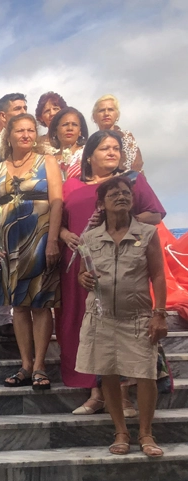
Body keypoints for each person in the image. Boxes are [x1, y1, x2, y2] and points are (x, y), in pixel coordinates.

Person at [57, 130, 165, 415]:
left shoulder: (131, 180)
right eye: (105, 148)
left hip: (124, 266)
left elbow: (155, 214)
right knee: (91, 328)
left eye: (116, 148)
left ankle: (123, 395)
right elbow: (59, 221)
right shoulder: (69, 185)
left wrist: (124, 221)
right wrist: (65, 233)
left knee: (123, 327)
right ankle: (95, 393)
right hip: (81, 263)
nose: (112, 153)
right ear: (89, 155)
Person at [76, 176, 167, 457]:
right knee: (109, 374)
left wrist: (160, 314)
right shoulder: (89, 237)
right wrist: (83, 278)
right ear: (101, 203)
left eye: (126, 193)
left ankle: (146, 434)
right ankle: (121, 432)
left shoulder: (147, 233)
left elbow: (159, 275)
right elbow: (82, 272)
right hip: (101, 318)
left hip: (138, 316)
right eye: (114, 193)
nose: (122, 197)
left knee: (146, 374)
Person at [0, 114, 63, 389]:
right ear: (9, 135)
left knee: (41, 304)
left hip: (40, 236)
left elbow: (57, 202)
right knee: (18, 306)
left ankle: (41, 365)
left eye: (30, 130)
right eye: (19, 130)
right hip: (9, 241)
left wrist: (53, 239)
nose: (25, 135)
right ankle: (26, 364)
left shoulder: (48, 162)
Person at [0, 93, 27, 337]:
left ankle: (24, 310)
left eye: (25, 107)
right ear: (2, 116)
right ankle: (2, 316)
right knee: (0, 261)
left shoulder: (30, 143)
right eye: (16, 109)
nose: (23, 111)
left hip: (25, 211)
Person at [91, 94, 144, 172]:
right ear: (94, 116)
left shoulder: (126, 137)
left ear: (117, 115)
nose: (106, 114)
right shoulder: (92, 142)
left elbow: (137, 166)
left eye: (110, 110)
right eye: (101, 110)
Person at [48, 107, 89, 180]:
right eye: (65, 124)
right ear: (55, 131)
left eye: (74, 124)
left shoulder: (88, 154)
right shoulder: (49, 159)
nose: (70, 128)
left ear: (80, 131)